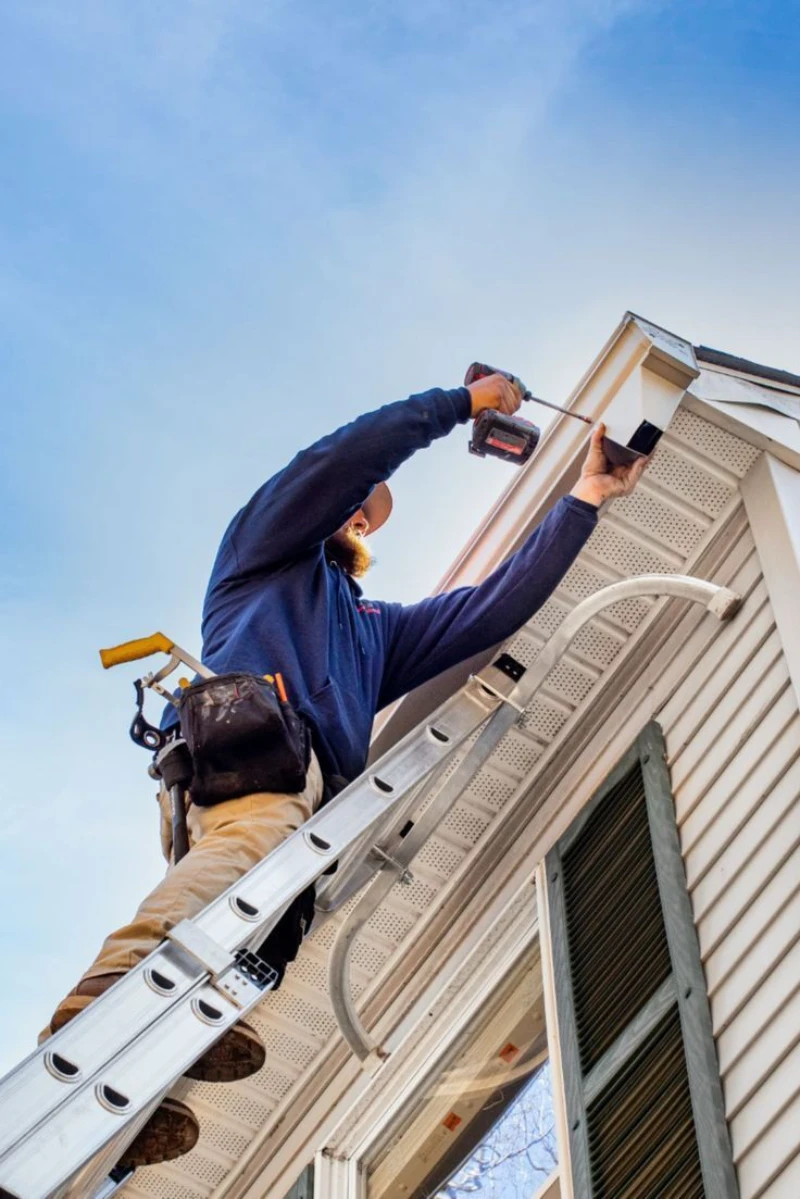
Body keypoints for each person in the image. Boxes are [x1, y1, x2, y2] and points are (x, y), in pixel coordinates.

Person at [42, 373, 647, 1166]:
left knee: (258, 945)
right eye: (355, 503)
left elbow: (493, 607)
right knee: (245, 852)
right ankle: (110, 990)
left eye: (368, 514)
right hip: (254, 753)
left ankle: (137, 1110)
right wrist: (462, 405)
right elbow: (344, 457)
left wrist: (586, 496)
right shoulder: (260, 556)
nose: (359, 514)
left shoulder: (373, 630)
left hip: (306, 795)